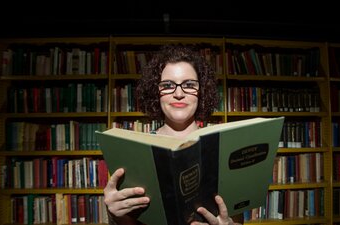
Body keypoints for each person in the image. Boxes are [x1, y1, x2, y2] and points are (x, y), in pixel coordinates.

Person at [103, 44, 244, 225]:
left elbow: (237, 217)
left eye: (189, 85)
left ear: (201, 92)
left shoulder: (222, 146)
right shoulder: (135, 151)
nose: (178, 93)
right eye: (168, 85)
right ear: (156, 92)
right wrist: (116, 214)